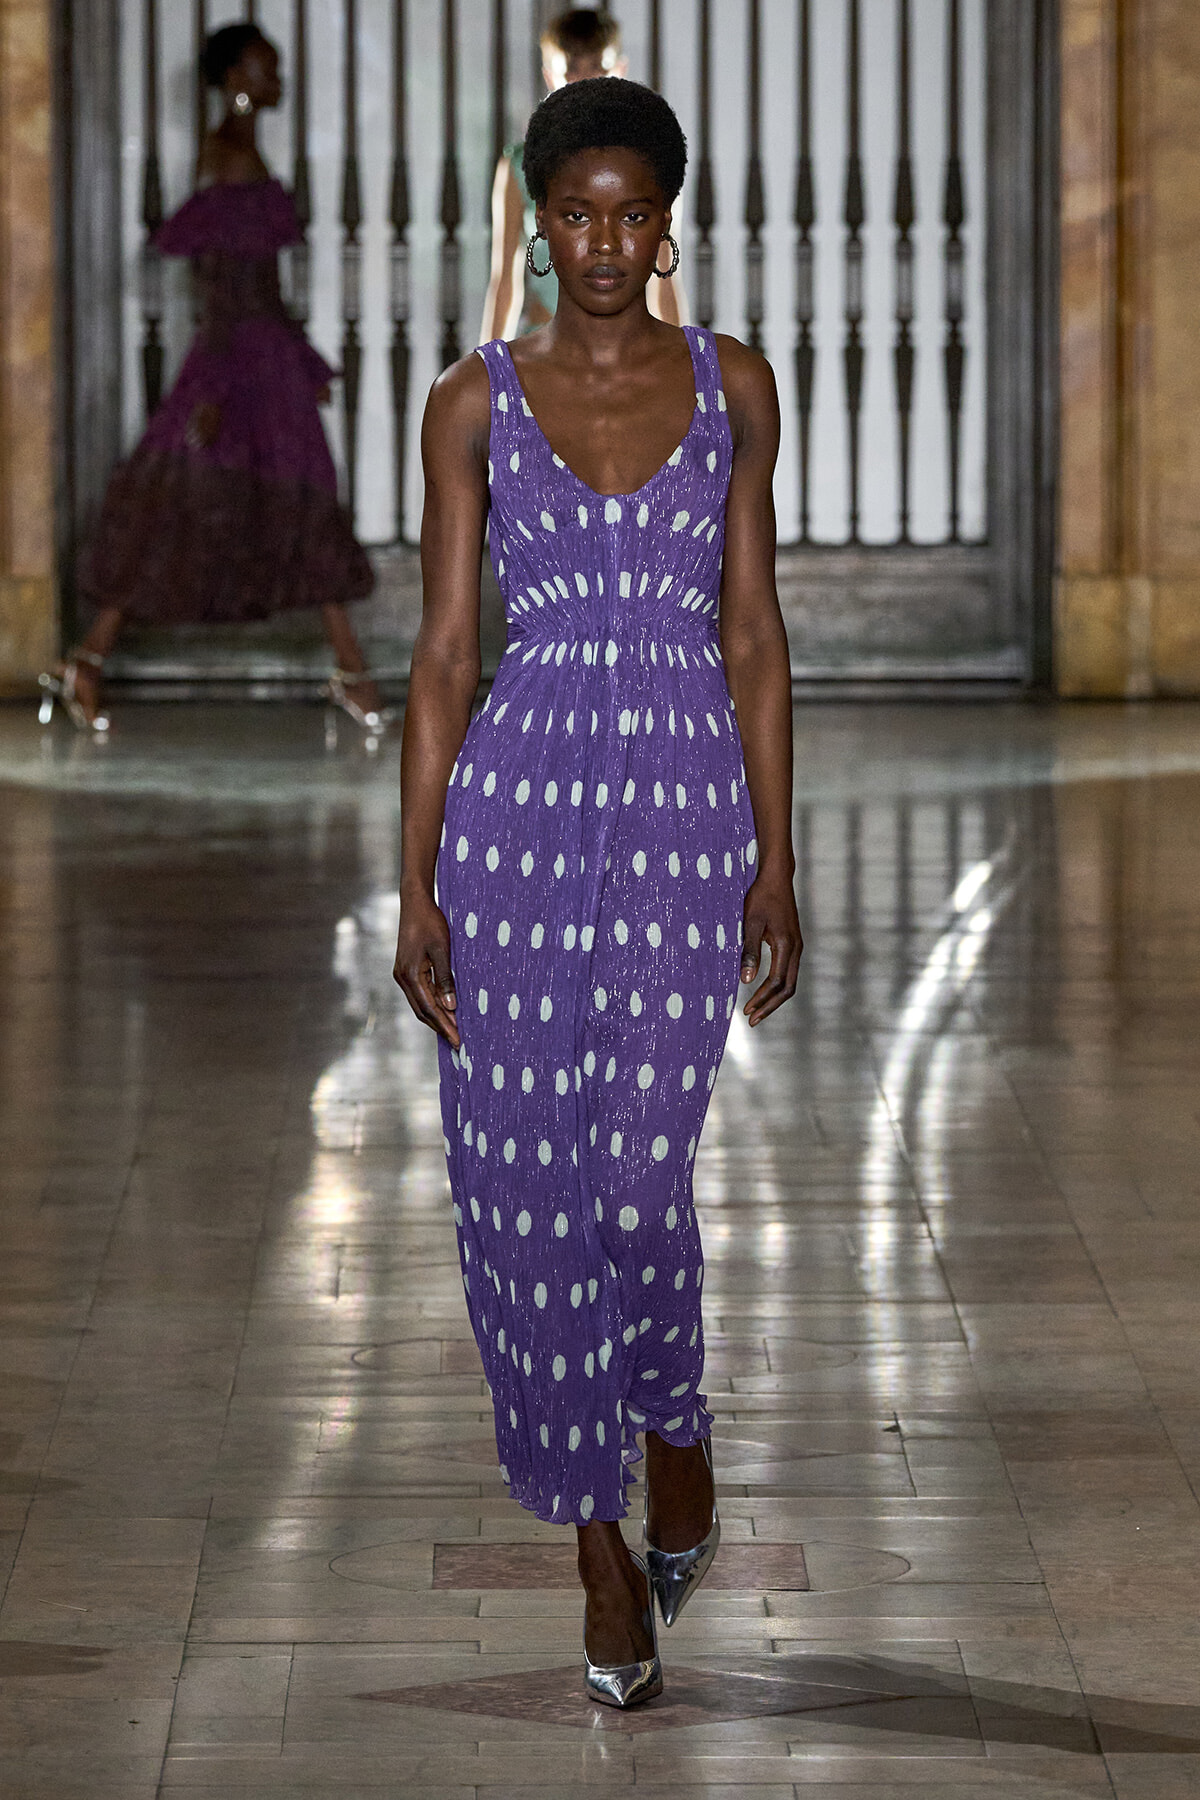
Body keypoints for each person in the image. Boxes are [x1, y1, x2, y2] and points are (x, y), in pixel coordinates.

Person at [394, 76, 801, 1709]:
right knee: (517, 1181)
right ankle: (597, 1549)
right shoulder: (472, 403)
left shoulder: (737, 388)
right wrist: (412, 882)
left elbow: (757, 637)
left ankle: (675, 1431)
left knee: (636, 1178)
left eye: (634, 212)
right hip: (515, 817)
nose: (606, 240)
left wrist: (782, 851)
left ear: (670, 222)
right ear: (540, 223)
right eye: (578, 213)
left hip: (686, 819)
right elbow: (439, 656)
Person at [41, 23, 383, 736]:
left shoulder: (239, 147)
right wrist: (224, 387)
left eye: (279, 69)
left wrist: (299, 358)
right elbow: (224, 282)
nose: (278, 80)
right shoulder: (227, 152)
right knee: (191, 500)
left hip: (258, 356)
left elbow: (255, 282)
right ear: (234, 77)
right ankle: (90, 659)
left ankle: (348, 672)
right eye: (266, 68)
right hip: (237, 360)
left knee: (297, 498)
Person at [480, 7, 684, 345]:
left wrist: (686, 370)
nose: (585, 81)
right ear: (550, 76)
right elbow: (504, 278)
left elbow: (666, 276)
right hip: (543, 352)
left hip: (632, 354)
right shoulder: (519, 166)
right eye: (572, 69)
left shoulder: (654, 163)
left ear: (620, 70)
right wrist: (488, 368)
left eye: (597, 68)